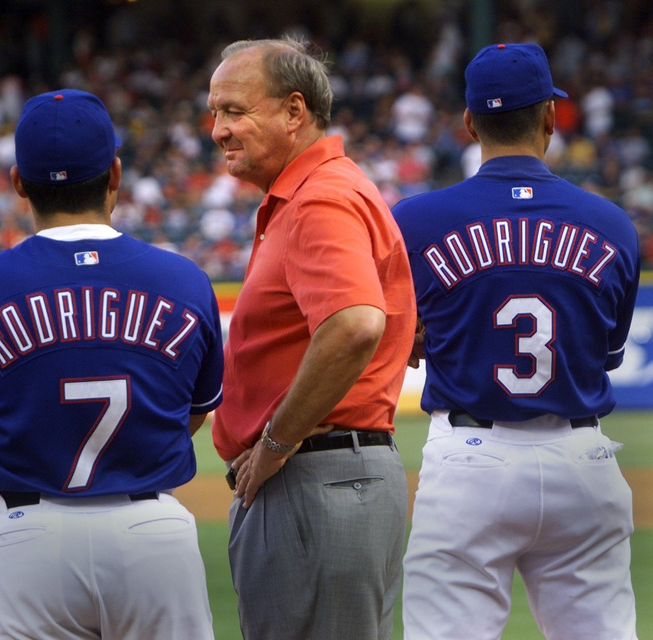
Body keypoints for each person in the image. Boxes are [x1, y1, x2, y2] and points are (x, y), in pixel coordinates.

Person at [0, 88, 223, 639]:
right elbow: (193, 412)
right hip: (151, 527)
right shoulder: (185, 281)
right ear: (115, 173)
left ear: (17, 182)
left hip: (25, 532)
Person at [393, 43, 639, 640]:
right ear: (551, 119)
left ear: (470, 123)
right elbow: (603, 353)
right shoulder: (611, 224)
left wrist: (419, 335)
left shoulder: (415, 220)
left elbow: (390, 336)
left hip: (469, 458)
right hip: (581, 460)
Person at [207, 37, 417, 639]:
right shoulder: (314, 192)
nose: (218, 129)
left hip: (317, 475)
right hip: (328, 476)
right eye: (215, 112)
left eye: (234, 110)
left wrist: (274, 442)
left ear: (294, 112)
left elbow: (354, 324)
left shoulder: (320, 196)